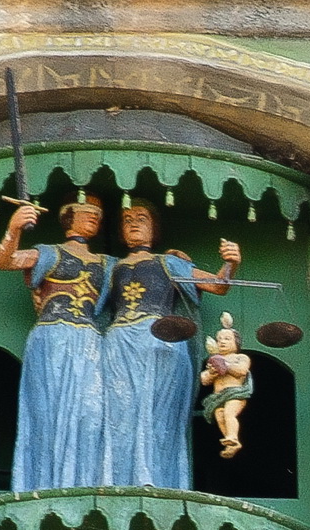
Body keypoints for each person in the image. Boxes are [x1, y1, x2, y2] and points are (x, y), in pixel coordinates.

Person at [100, 197, 240, 490]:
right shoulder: (110, 266)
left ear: (156, 229)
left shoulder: (168, 262)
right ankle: (115, 481)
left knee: (157, 415)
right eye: (126, 219)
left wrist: (230, 263)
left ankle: (156, 481)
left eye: (141, 218)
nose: (134, 223)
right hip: (119, 345)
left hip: (160, 342)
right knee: (118, 415)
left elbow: (218, 285)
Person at [0, 196, 113, 491]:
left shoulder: (108, 264)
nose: (93, 218)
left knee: (91, 415)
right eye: (87, 213)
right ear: (68, 218)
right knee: (46, 412)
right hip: (51, 337)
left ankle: (84, 484)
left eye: (98, 215)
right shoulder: (49, 253)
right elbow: (5, 260)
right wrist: (14, 228)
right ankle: (42, 484)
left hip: (88, 341)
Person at [199, 314, 254, 460]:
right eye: (219, 339)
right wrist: (212, 372)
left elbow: (242, 371)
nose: (222, 342)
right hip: (218, 397)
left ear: (236, 342)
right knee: (220, 416)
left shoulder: (240, 358)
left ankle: (232, 437)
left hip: (235, 393)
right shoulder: (214, 360)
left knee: (229, 413)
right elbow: (204, 380)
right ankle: (230, 442)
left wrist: (225, 365)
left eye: (227, 339)